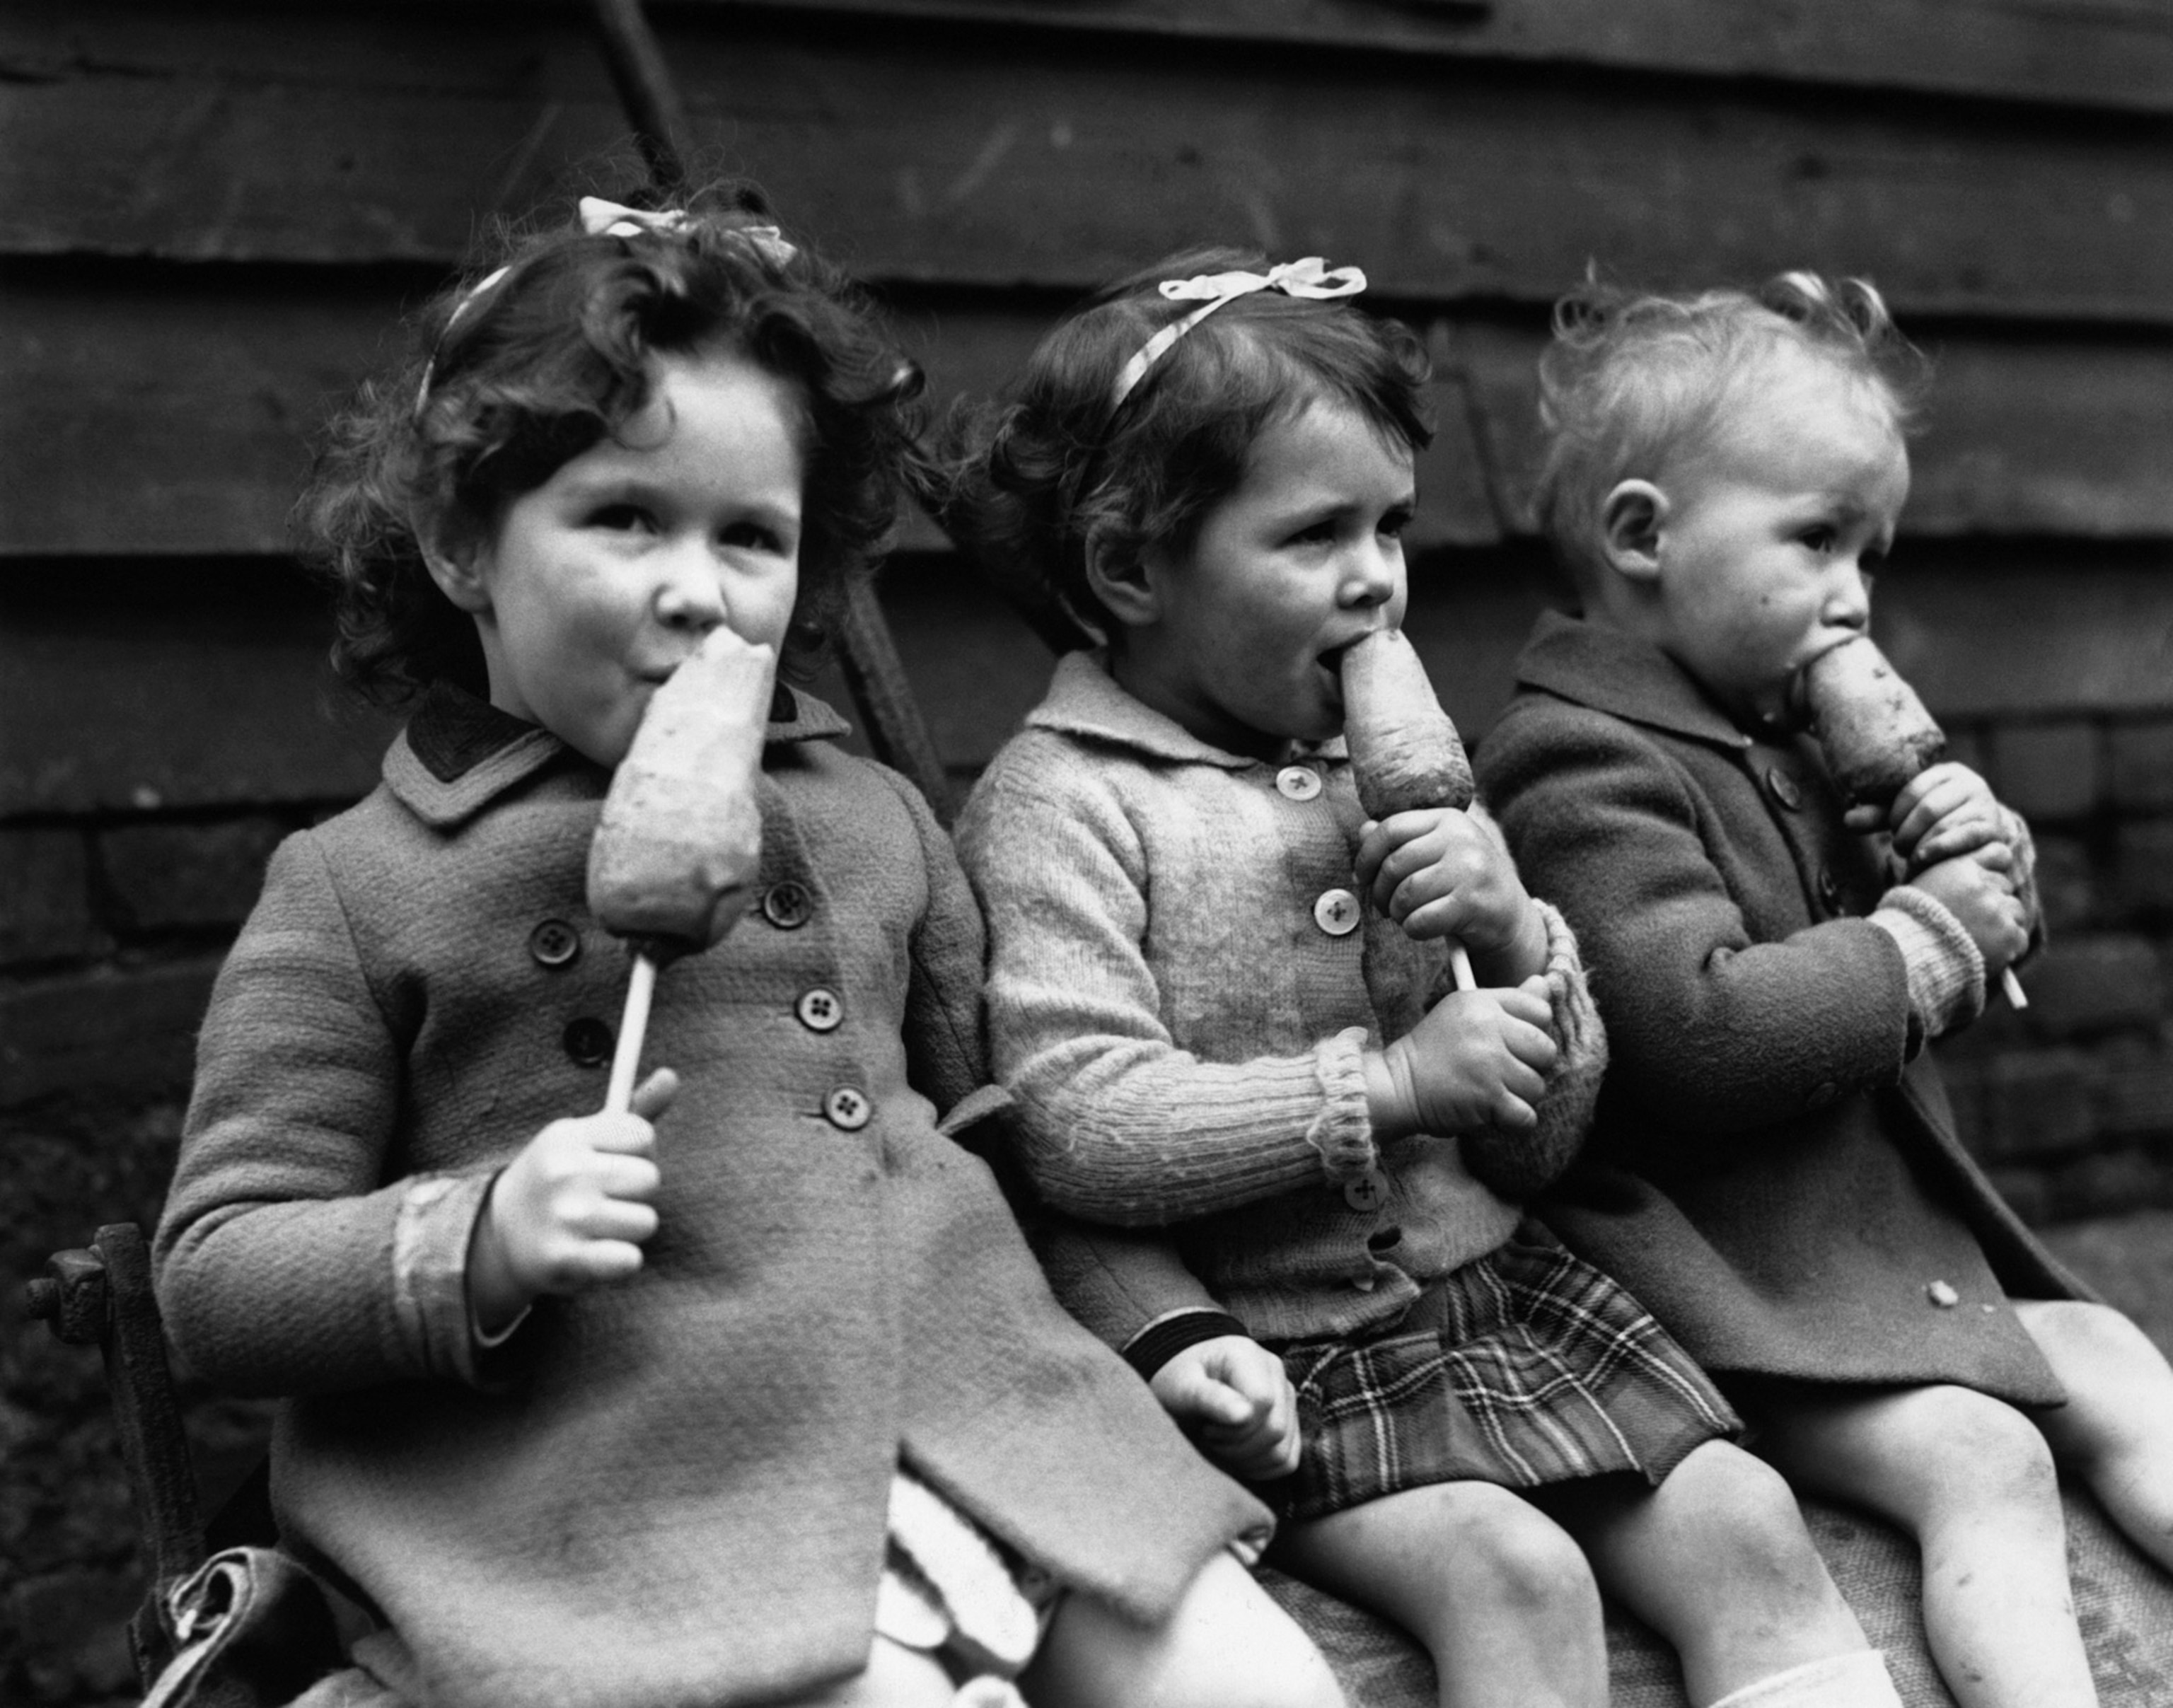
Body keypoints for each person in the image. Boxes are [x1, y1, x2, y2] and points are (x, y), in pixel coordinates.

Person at [152, 188, 1348, 1708]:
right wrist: (479, 1234)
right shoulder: (359, 884)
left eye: (754, 538)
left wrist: (1160, 1331)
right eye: (624, 518)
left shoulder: (873, 823)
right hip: (617, 1493)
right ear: (462, 546)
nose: (698, 591)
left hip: (993, 1419)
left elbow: (1005, 1138)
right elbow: (216, 1274)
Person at [944, 248, 1901, 1708]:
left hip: (1504, 1292)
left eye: (1391, 522)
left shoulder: (1388, 770)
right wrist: (1384, 1085)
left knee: (1747, 1523)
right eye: (1316, 532)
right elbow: (1077, 1125)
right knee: (1513, 1570)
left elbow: (1536, 1131)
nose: (1377, 576)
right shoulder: (1061, 803)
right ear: (1133, 569)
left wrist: (1519, 940)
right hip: (1276, 1345)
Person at [1478, 271, 2173, 1708]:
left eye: (1873, 549)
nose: (1856, 596)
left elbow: (1950, 958)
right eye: (1816, 540)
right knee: (1989, 1453)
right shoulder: (1575, 762)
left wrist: (1974, 878)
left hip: (1850, 1269)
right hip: (1716, 1292)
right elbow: (1699, 1033)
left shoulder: (1774, 732)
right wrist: (1923, 942)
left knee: (2107, 1340)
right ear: (1642, 537)